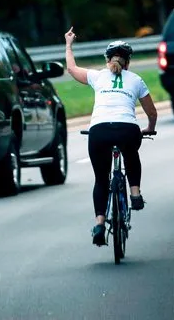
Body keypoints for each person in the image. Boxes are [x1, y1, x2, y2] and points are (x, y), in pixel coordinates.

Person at [63, 27, 158, 246]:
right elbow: (151, 112)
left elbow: (71, 68)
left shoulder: (97, 76)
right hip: (127, 129)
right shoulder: (136, 79)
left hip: (99, 131)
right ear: (128, 62)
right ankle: (135, 194)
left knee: (101, 179)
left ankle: (99, 223)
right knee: (131, 154)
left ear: (107, 60)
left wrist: (69, 44)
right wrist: (150, 128)